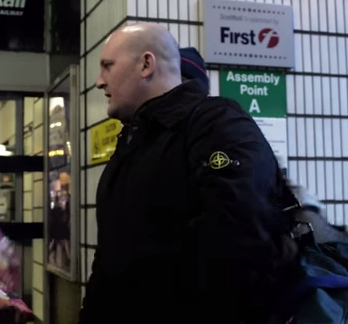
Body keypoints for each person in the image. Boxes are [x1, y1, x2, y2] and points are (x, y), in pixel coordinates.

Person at [78, 23, 293, 323]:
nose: (99, 82)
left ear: (146, 64)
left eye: (108, 67)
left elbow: (237, 245)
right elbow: (110, 257)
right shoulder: (132, 142)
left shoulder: (217, 124)